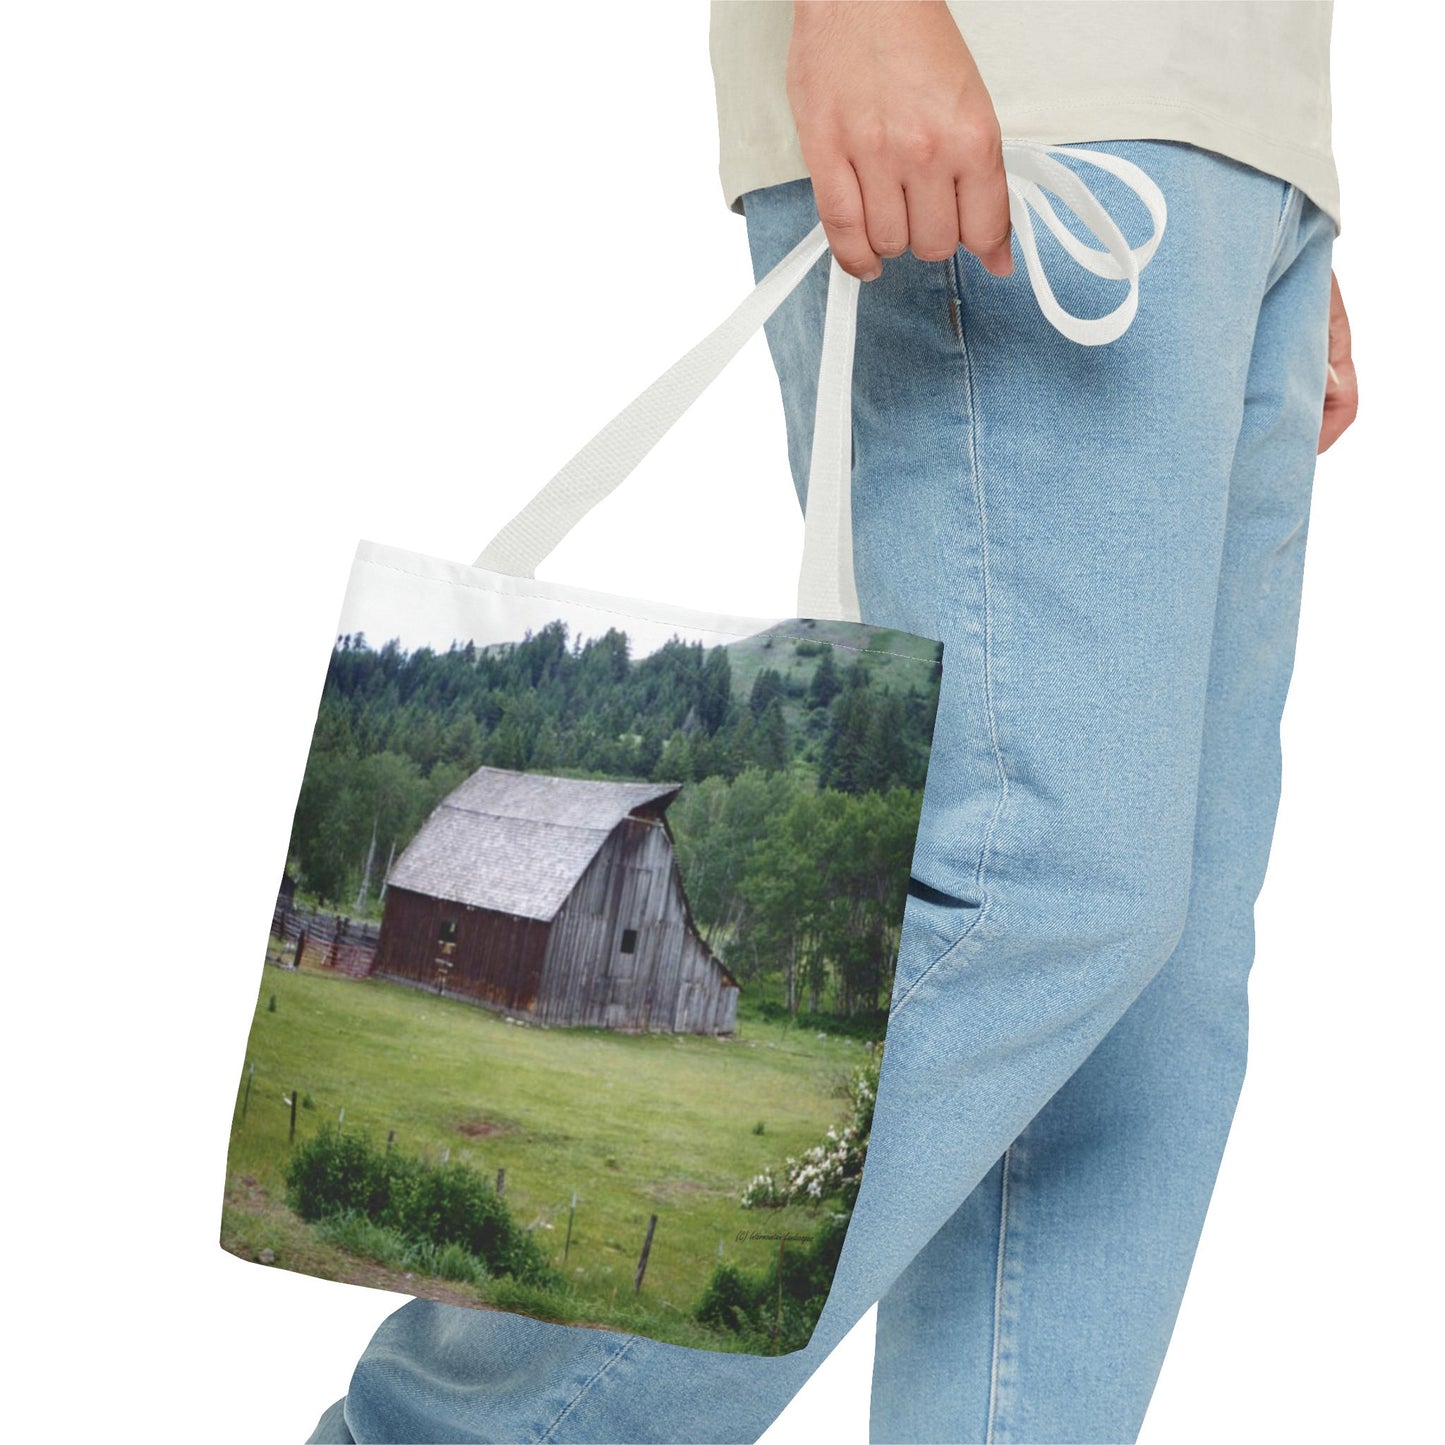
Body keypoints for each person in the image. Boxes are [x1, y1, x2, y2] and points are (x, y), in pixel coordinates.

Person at [307, 3, 1357, 1440]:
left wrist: (1268, 173)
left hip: (1223, 136)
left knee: (1146, 1015)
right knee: (1030, 886)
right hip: (1021, 83)